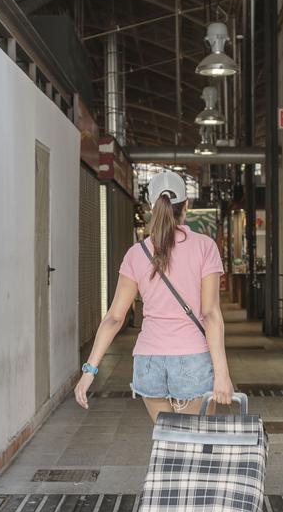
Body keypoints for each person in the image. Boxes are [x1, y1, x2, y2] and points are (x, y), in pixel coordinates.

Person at [75, 169, 234, 421]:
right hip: (192, 357)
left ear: (151, 206)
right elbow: (210, 314)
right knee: (196, 446)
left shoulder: (136, 254)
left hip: (149, 361)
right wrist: (222, 373)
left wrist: (89, 372)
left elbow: (115, 318)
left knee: (168, 443)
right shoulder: (205, 247)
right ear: (187, 206)